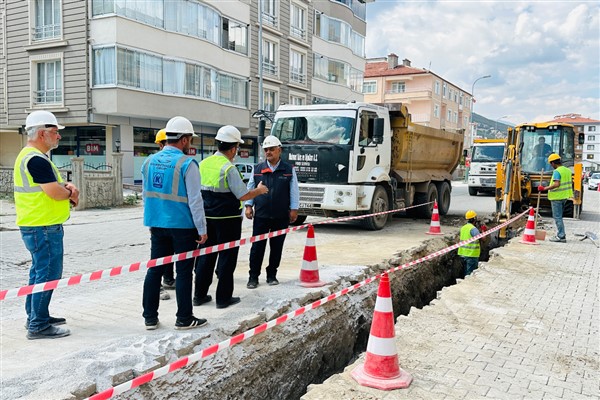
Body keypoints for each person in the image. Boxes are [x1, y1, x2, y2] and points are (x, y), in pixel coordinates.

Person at [14, 110, 79, 340]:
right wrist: (70, 193)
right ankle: (38, 324)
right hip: (42, 226)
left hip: (37, 224)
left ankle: (35, 315)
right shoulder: (35, 159)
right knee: (48, 273)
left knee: (38, 272)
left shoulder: (31, 156)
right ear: (42, 134)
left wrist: (66, 188)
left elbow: (53, 186)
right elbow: (53, 191)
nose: (58, 136)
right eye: (55, 132)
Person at [141, 116, 208, 330]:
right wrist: (202, 229)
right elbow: (195, 200)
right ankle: (184, 318)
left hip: (156, 224)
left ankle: (150, 318)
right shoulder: (187, 163)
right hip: (182, 226)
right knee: (184, 271)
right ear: (185, 139)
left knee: (155, 269)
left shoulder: (148, 161)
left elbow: (145, 194)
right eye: (190, 140)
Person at [194, 125, 268, 309]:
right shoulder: (229, 169)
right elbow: (243, 195)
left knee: (205, 257)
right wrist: (259, 190)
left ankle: (199, 295)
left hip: (206, 220)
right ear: (234, 148)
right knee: (227, 258)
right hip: (228, 222)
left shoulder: (202, 163)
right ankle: (223, 298)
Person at [245, 136, 300, 289]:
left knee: (276, 247)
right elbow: (250, 188)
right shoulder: (257, 169)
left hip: (281, 216)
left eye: (271, 149)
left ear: (279, 150)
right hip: (261, 216)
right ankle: (253, 277)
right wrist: (248, 206)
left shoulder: (288, 170)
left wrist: (294, 209)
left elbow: (294, 191)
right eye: (266, 149)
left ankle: (272, 275)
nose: (268, 152)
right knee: (257, 247)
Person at [153, 128, 175, 297]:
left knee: (169, 250)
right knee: (160, 253)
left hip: (159, 215)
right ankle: (159, 283)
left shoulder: (152, 162)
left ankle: (168, 278)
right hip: (165, 216)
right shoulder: (156, 163)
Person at [537, 153, 573, 243]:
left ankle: (561, 236)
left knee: (557, 217)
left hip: (557, 197)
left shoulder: (557, 171)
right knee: (559, 217)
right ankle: (561, 234)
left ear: (553, 163)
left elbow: (557, 184)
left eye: (550, 164)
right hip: (565, 196)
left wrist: (544, 188)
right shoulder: (567, 170)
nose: (551, 165)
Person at [457, 210, 486, 276]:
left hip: (462, 254)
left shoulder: (463, 228)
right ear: (474, 219)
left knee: (465, 272)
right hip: (471, 255)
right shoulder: (473, 229)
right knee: (470, 274)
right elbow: (483, 239)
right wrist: (483, 231)